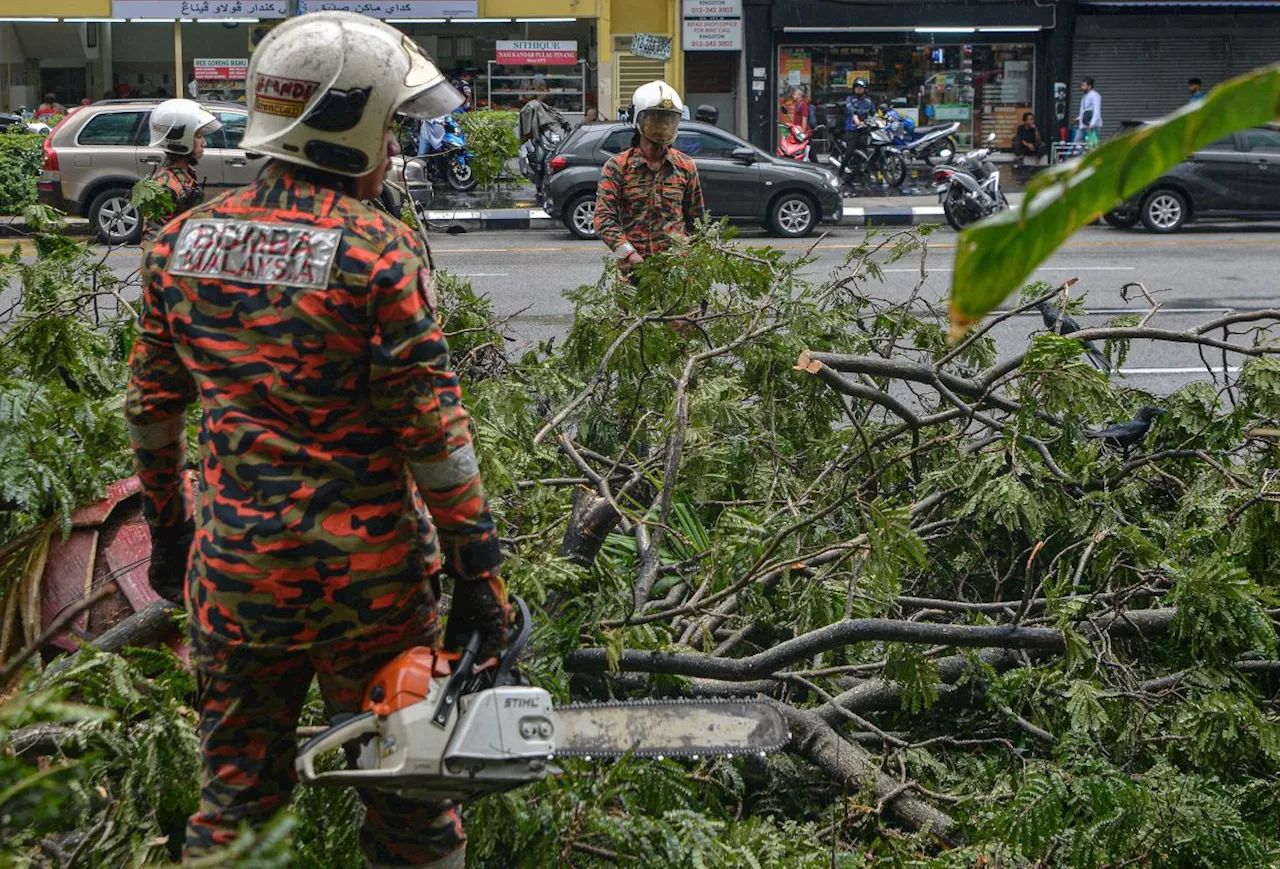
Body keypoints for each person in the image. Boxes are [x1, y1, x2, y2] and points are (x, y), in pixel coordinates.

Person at [126, 11, 508, 867]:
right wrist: (482, 573)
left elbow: (152, 411)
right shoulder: (380, 252)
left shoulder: (178, 246)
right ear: (351, 125)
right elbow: (435, 436)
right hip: (369, 592)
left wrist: (171, 533)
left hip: (234, 578)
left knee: (235, 802)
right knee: (412, 804)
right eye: (392, 129)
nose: (396, 153)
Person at [594, 80, 704, 283]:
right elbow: (604, 219)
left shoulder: (686, 166)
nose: (663, 126)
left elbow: (697, 221)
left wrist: (697, 267)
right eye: (655, 119)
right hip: (635, 275)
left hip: (678, 274)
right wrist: (628, 254)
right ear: (638, 120)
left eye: (668, 120)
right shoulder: (617, 167)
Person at [142, 99, 219, 232]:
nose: (204, 143)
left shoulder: (185, 173)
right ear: (182, 140)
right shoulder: (163, 184)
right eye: (199, 136)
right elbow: (153, 234)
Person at [839, 77, 875, 180]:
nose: (859, 90)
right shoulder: (850, 99)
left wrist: (881, 120)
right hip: (852, 129)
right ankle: (840, 173)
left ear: (865, 89)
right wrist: (857, 121)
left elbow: (874, 113)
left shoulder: (868, 100)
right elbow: (852, 111)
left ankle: (867, 170)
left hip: (865, 129)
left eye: (861, 88)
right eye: (857, 87)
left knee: (869, 149)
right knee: (850, 151)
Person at [1073, 77, 1102, 154]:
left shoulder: (1095, 96)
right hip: (1083, 125)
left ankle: (1092, 160)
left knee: (1092, 145)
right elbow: (1084, 111)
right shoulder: (1084, 97)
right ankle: (1083, 158)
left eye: (1083, 85)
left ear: (1089, 86)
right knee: (1077, 141)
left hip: (1092, 126)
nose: (1081, 87)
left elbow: (1096, 111)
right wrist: (1077, 119)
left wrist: (1092, 123)